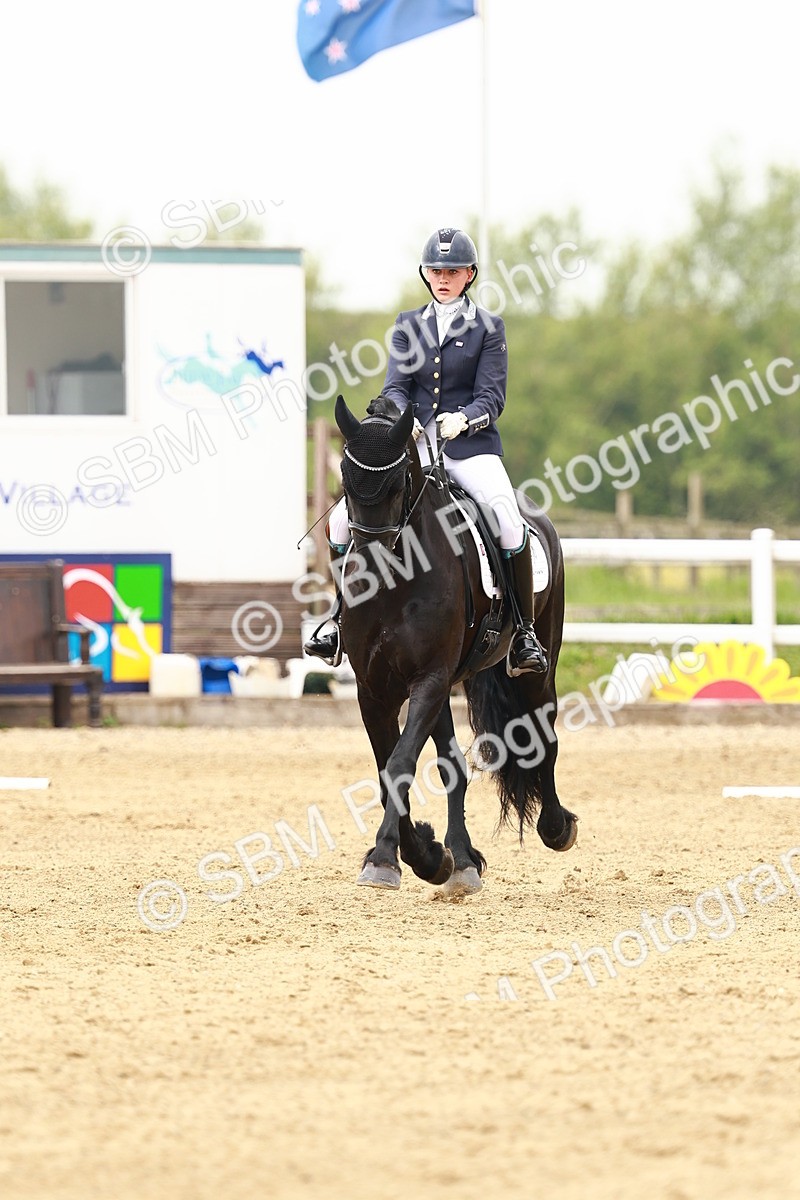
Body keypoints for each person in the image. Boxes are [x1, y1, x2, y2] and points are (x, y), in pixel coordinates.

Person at [304, 226, 547, 677]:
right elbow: (395, 385)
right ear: (426, 274)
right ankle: (339, 616)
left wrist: (467, 418)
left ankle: (526, 633)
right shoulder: (407, 325)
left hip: (470, 448)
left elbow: (492, 396)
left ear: (469, 274)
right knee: (340, 520)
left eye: (452, 271)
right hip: (415, 447)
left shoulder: (489, 329)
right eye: (435, 270)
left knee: (508, 518)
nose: (443, 277)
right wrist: (402, 415)